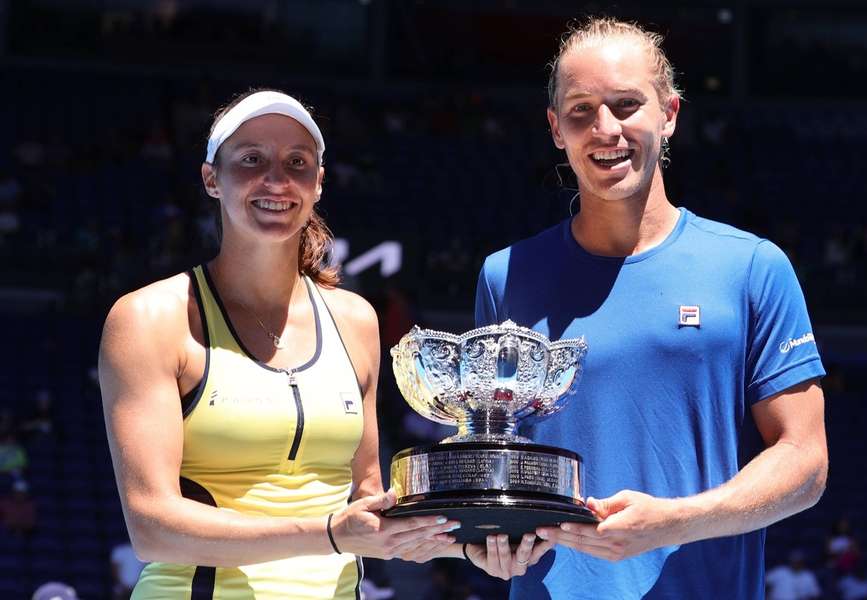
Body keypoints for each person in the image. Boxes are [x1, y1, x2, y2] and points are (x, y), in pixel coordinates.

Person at [474, 17, 828, 599]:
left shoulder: (752, 268)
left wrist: (672, 521)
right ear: (555, 129)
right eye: (581, 110)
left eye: (626, 104)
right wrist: (485, 538)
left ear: (669, 115)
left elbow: (806, 463)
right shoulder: (504, 276)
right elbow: (498, 457)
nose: (605, 129)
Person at [99, 89, 464, 599]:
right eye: (251, 159)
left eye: (297, 162)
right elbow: (152, 528)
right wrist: (331, 535)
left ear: (318, 183)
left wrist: (472, 540)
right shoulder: (148, 318)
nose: (276, 180)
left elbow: (368, 500)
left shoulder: (356, 319)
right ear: (211, 179)